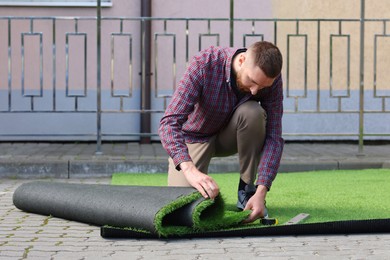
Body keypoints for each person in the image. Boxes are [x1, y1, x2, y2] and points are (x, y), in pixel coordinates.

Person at [158, 41, 284, 223]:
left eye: (263, 87)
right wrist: (189, 169)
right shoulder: (205, 64)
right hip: (195, 137)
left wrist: (261, 190)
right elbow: (169, 123)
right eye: (253, 81)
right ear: (241, 60)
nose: (256, 90)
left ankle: (247, 190)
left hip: (230, 136)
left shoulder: (270, 80)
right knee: (182, 207)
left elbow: (274, 137)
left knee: (253, 112)